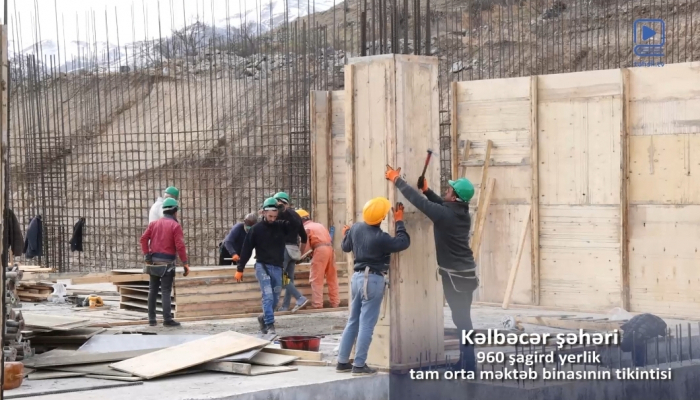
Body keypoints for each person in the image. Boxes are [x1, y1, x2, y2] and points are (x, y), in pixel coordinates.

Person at [384, 164, 478, 372]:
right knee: (463, 319)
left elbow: (419, 203)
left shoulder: (446, 215)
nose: (446, 191)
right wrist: (428, 191)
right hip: (466, 275)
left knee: (461, 320)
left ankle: (469, 364)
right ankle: (467, 362)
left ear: (454, 197)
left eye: (449, 190)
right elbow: (440, 206)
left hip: (455, 278)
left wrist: (396, 179)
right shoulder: (462, 213)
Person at [336, 197, 410, 376]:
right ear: (382, 218)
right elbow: (403, 242)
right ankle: (359, 365)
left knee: (353, 320)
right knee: (367, 324)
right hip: (372, 280)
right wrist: (399, 221)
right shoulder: (380, 237)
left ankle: (342, 361)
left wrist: (347, 234)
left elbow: (346, 247)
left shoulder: (356, 228)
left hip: (357, 278)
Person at [236, 197, 292, 335]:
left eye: (275, 216)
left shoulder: (282, 226)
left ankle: (264, 317)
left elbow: (295, 224)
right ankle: (270, 325)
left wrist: (285, 210)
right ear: (263, 213)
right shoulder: (256, 230)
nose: (272, 219)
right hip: (263, 266)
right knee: (267, 296)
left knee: (275, 298)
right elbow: (246, 249)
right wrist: (240, 268)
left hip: (278, 267)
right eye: (270, 216)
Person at [140, 198, 190, 327]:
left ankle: (152, 319)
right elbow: (180, 246)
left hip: (154, 262)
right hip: (167, 263)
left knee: (153, 290)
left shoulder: (154, 224)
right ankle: (167, 320)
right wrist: (185, 262)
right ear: (174, 211)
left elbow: (143, 239)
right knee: (166, 291)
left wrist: (147, 255)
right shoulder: (175, 226)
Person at [273, 192, 310, 313]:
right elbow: (304, 237)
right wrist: (301, 253)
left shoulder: (280, 213)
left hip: (283, 250)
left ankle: (299, 298)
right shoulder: (296, 215)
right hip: (294, 251)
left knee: (280, 276)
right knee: (289, 279)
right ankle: (285, 307)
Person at [296, 209, 340, 309]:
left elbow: (305, 247)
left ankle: (317, 305)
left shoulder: (306, 228)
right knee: (332, 278)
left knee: (316, 279)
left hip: (320, 251)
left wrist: (298, 258)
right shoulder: (319, 225)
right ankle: (335, 303)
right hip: (330, 249)